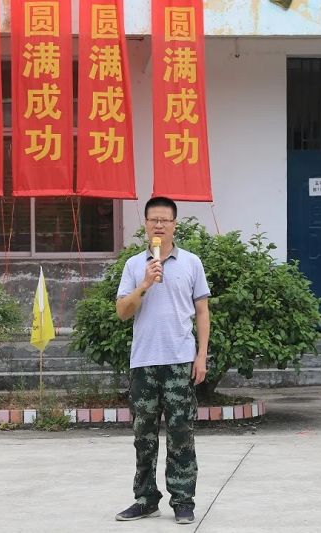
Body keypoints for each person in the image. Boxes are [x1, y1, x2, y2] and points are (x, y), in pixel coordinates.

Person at [114, 196, 210, 525]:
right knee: (143, 434)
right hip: (144, 361)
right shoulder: (133, 265)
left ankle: (183, 500)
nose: (159, 225)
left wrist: (201, 356)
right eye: (153, 220)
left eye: (164, 220)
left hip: (180, 359)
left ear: (174, 225)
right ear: (145, 225)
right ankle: (145, 499)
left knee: (181, 432)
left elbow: (202, 311)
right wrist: (144, 283)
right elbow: (122, 312)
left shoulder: (191, 263)